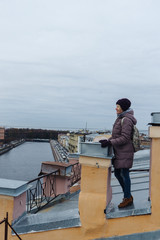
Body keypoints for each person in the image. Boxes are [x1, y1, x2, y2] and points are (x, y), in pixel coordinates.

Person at [99, 98, 137, 208]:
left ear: (123, 108)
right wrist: (108, 140)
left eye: (118, 106)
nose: (116, 108)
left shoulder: (126, 120)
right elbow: (116, 136)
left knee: (124, 174)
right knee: (118, 173)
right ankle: (128, 195)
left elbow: (125, 138)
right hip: (119, 151)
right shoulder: (120, 118)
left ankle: (127, 197)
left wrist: (110, 142)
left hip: (125, 151)